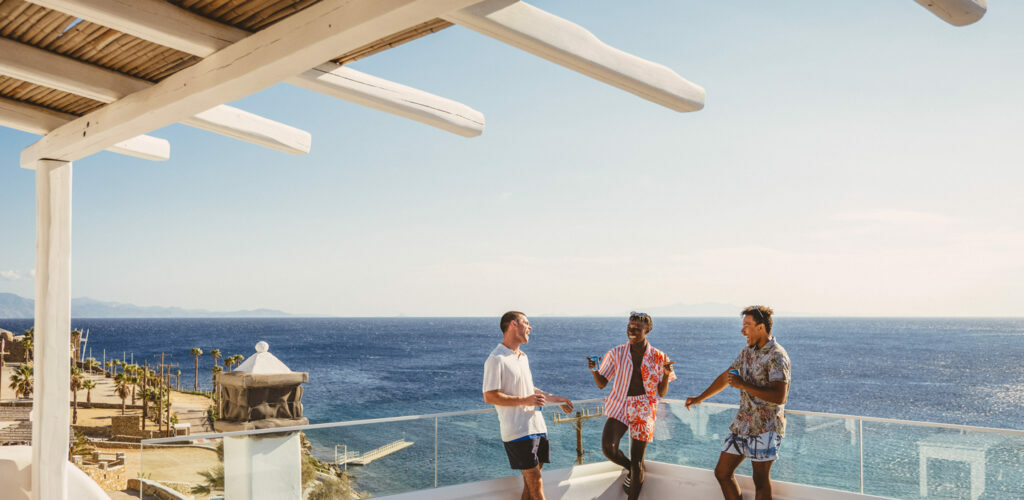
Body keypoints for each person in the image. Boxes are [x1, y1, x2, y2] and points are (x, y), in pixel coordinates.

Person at [685, 305, 791, 500]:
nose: (743, 331)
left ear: (761, 327)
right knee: (722, 473)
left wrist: (744, 384)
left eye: (747, 326)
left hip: (766, 427)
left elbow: (779, 396)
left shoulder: (777, 355)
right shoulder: (747, 352)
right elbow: (727, 376)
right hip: (743, 422)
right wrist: (700, 398)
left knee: (760, 480)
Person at [483, 311, 574, 500]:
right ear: (513, 325)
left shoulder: (523, 357)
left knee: (530, 483)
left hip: (537, 426)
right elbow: (490, 396)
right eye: (526, 323)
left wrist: (556, 399)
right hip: (517, 431)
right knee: (535, 481)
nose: (530, 327)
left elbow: (528, 389)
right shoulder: (496, 358)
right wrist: (525, 400)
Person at [587, 311, 676, 500]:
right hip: (619, 404)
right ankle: (632, 470)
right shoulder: (616, 352)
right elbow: (602, 383)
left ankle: (633, 486)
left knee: (638, 461)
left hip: (644, 407)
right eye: (629, 327)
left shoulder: (660, 357)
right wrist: (594, 369)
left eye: (637, 328)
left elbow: (662, 392)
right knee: (608, 448)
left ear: (648, 330)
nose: (632, 330)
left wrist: (666, 375)